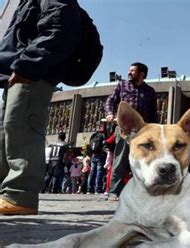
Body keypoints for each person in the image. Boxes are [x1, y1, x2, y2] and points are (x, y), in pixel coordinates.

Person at [0, 0, 81, 215]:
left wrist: (29, 63)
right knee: (5, 133)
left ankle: (20, 194)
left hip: (32, 72)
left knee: (21, 128)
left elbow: (58, 24)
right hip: (16, 71)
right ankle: (6, 193)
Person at [104, 62, 158, 200]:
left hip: (142, 132)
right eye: (129, 70)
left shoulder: (150, 91)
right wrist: (110, 113)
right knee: (120, 159)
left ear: (142, 74)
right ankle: (114, 192)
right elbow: (110, 101)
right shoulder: (122, 85)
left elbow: (153, 113)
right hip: (124, 129)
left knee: (141, 161)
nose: (129, 72)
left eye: (132, 71)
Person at [87, 123, 107, 194]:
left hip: (93, 155)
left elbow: (89, 145)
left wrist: (88, 155)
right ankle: (98, 189)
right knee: (99, 172)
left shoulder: (93, 135)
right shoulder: (104, 135)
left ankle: (89, 189)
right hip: (101, 155)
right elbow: (105, 146)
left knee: (92, 172)